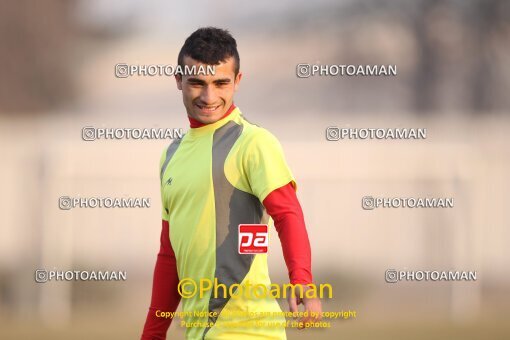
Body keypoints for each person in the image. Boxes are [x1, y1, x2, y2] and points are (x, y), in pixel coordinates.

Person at [141, 27, 321, 340]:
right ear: (178, 81)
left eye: (220, 83)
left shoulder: (253, 143)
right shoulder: (170, 155)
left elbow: (287, 214)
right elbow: (169, 254)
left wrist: (302, 280)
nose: (209, 97)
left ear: (237, 82)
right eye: (197, 83)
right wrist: (152, 333)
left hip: (247, 329)